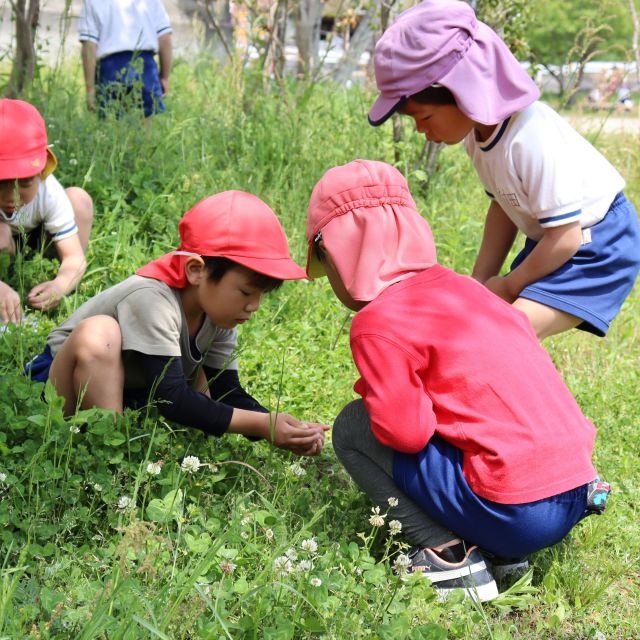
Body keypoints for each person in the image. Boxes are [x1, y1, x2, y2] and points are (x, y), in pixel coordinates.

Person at [305, 159, 610, 601]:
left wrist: (381, 396)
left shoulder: (378, 321)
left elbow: (405, 435)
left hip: (517, 510)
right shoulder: (471, 293)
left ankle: (449, 557)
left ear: (337, 250)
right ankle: (502, 550)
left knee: (353, 426)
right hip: (576, 491)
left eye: (321, 261)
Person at [367, 0, 640, 340]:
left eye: (424, 117)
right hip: (554, 240)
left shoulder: (530, 136)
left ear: (462, 91)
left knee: (505, 334)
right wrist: (480, 284)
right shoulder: (477, 135)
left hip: (596, 242)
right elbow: (503, 206)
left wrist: (511, 284)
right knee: (484, 325)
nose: (421, 130)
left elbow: (567, 237)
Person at [25, 191, 329, 456]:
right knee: (99, 333)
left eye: (262, 295)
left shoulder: (220, 313)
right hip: (61, 383)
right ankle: (110, 449)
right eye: (246, 292)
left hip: (133, 386)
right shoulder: (153, 298)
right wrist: (263, 426)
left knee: (204, 384)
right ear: (196, 270)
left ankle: (119, 429)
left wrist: (281, 426)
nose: (254, 306)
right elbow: (172, 399)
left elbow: (226, 391)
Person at [0, 99, 93, 325]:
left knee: (79, 200)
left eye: (24, 182)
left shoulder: (49, 192)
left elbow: (74, 257)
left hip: (39, 238)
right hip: (7, 240)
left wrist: (60, 284)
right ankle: (9, 265)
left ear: (42, 171)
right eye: (1, 182)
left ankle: (53, 271)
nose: (12, 195)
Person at [79, 0, 173, 118]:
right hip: (145, 69)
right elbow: (165, 39)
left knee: (111, 124)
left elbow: (89, 46)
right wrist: (164, 77)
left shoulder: (92, 2)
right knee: (145, 121)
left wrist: (90, 89)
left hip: (110, 70)